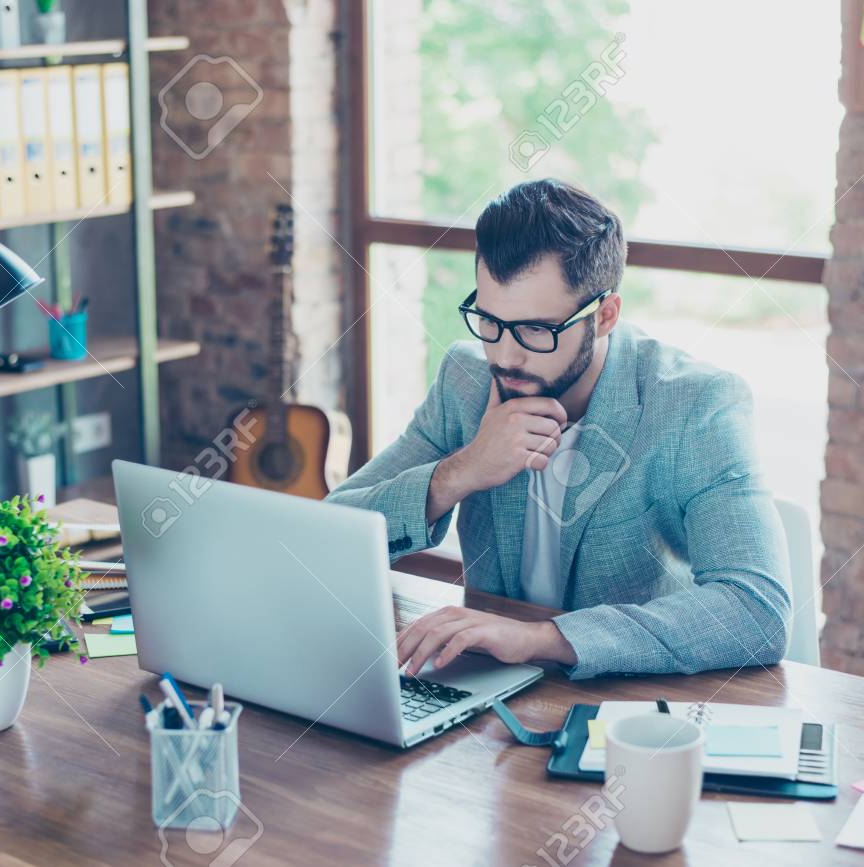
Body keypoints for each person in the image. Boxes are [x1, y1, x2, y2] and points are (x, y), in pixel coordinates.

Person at [326, 179, 791, 680]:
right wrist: (462, 470)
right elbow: (333, 534)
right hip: (487, 693)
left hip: (631, 709)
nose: (504, 356)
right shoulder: (466, 382)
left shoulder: (694, 405)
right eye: (489, 321)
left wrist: (540, 639)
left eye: (535, 330)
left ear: (605, 315)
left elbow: (756, 609)